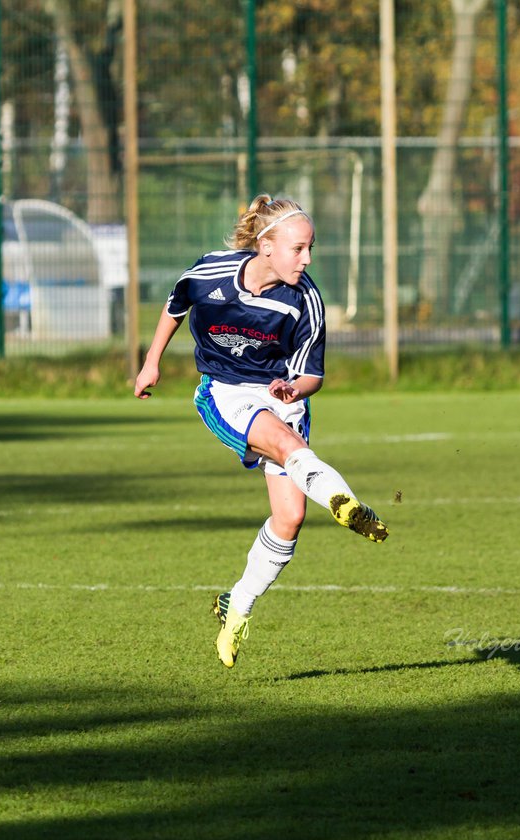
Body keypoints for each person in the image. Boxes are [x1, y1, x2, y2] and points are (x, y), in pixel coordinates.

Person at [134, 194, 389, 667]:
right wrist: (151, 363)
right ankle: (346, 502)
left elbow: (314, 374)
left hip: (280, 395)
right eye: (299, 248)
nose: (307, 258)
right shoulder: (211, 272)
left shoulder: (305, 300)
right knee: (287, 444)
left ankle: (236, 606)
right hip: (226, 392)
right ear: (266, 245)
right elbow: (175, 307)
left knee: (289, 519)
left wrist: (294, 388)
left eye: (311, 247)